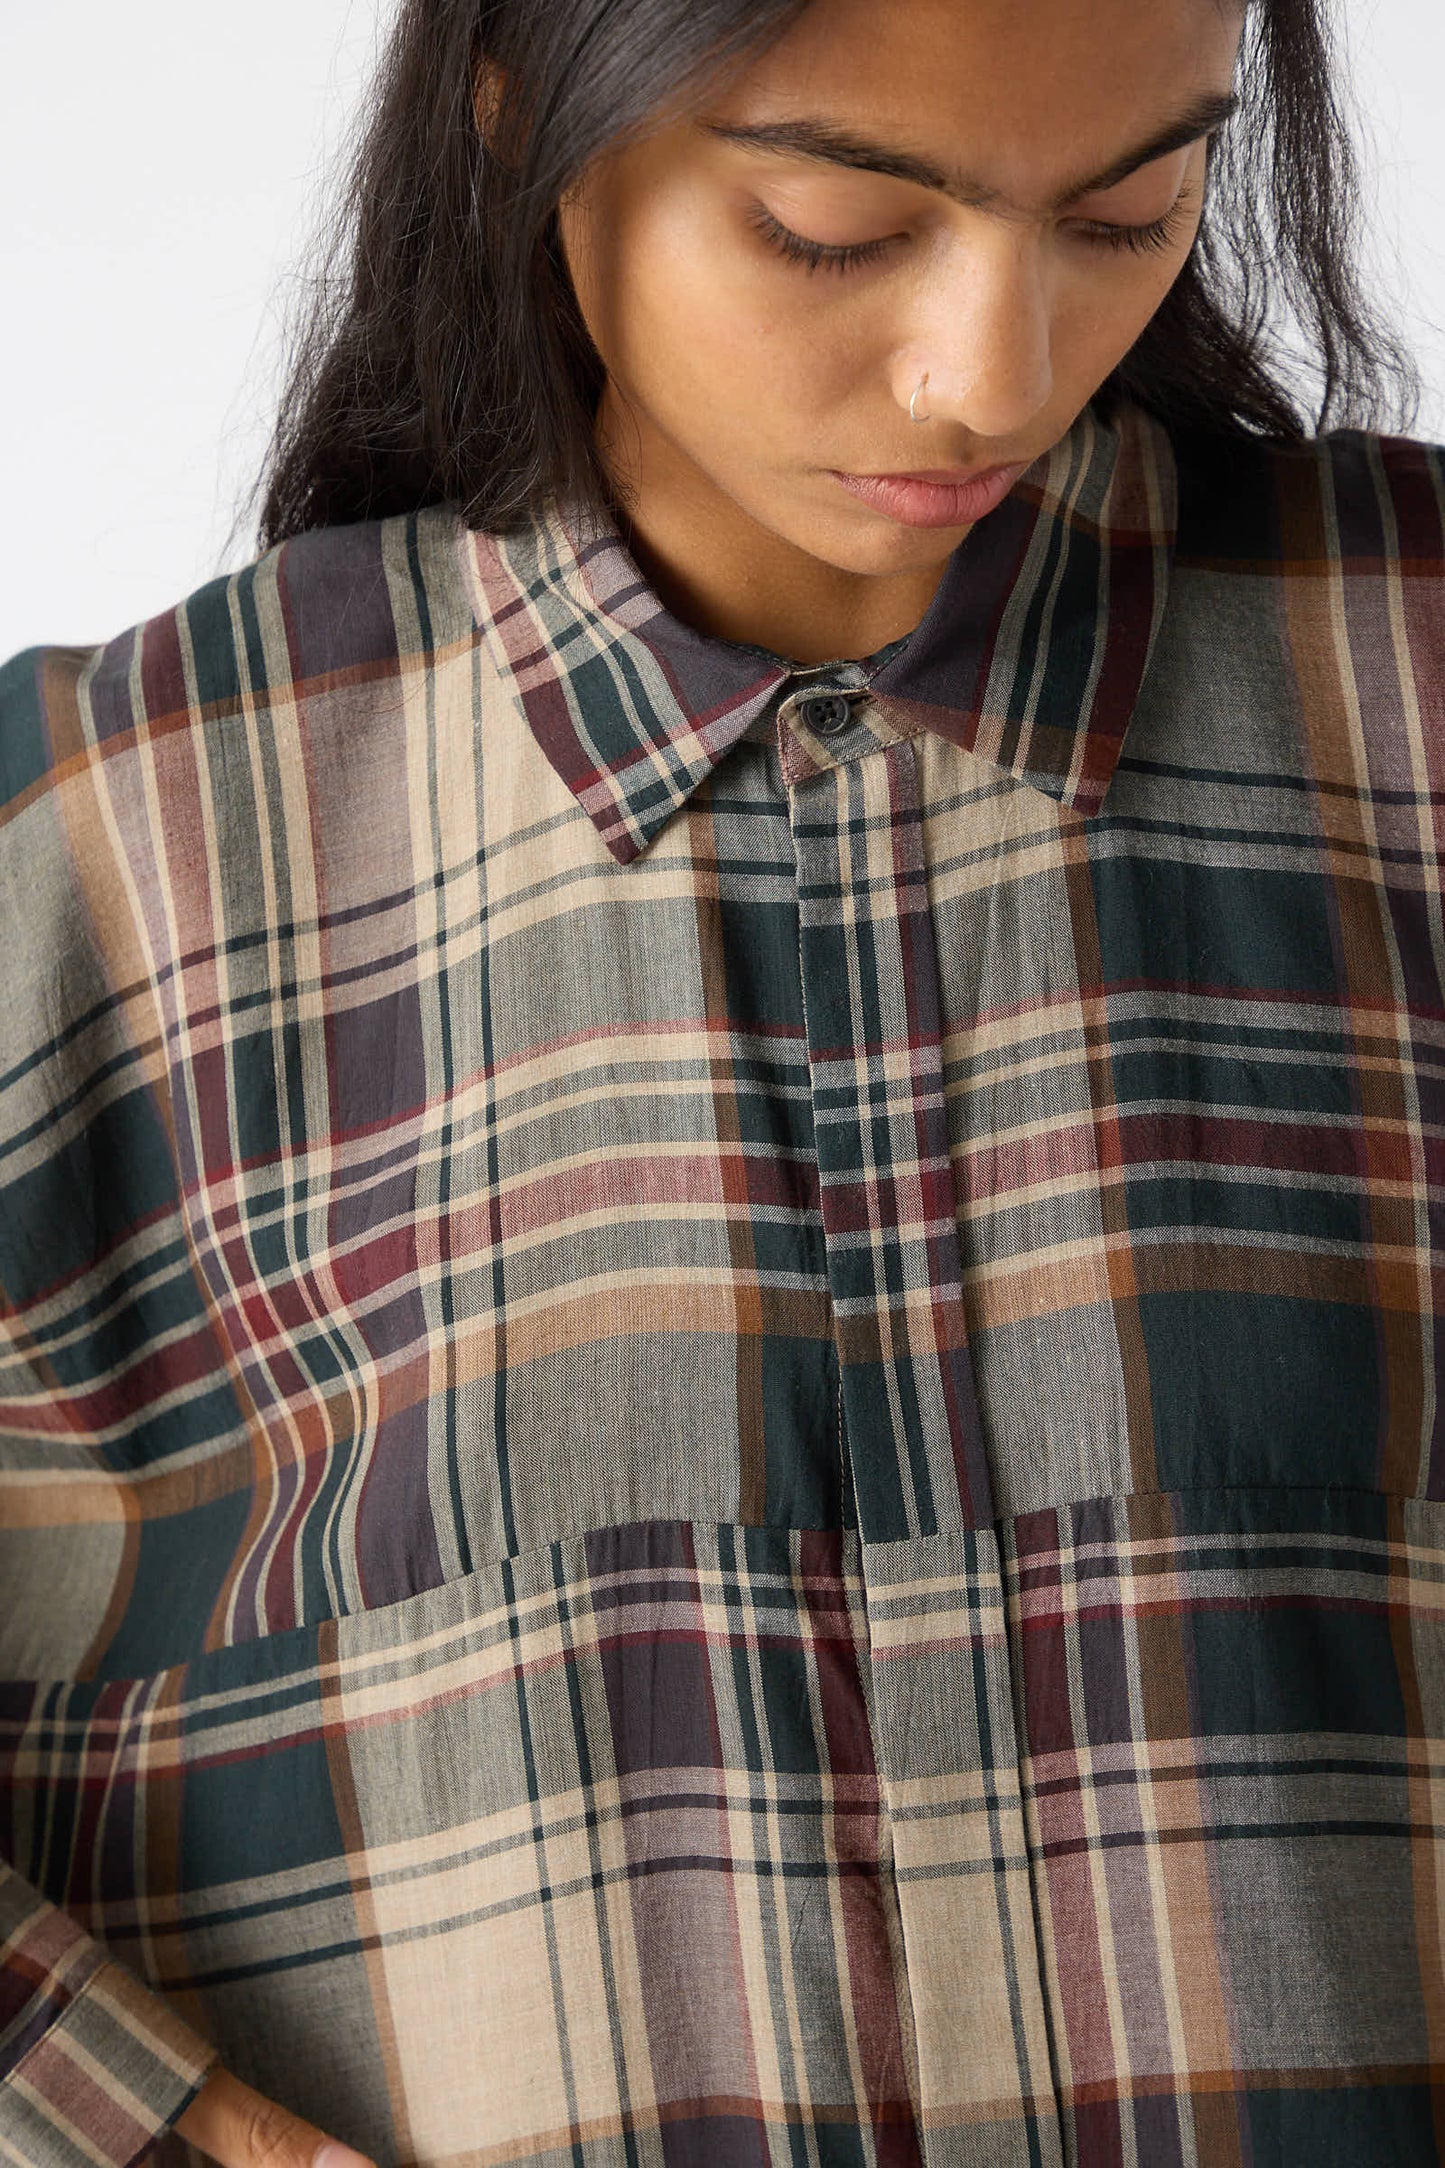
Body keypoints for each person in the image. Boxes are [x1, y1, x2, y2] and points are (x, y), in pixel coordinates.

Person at [1, 0, 1441, 2160]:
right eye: (833, 226)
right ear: (527, 121)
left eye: (1132, 206)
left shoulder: (1407, 691)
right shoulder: (110, 847)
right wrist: (172, 2130)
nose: (995, 369)